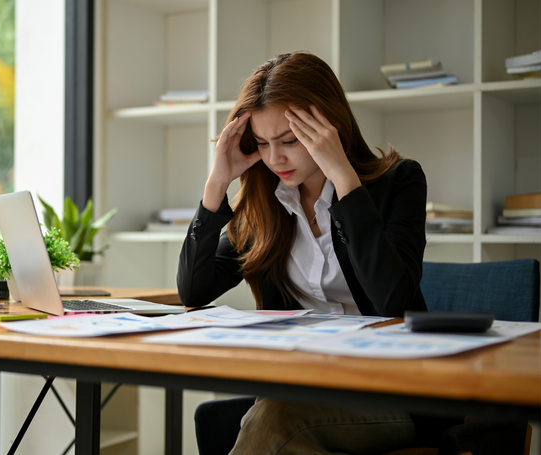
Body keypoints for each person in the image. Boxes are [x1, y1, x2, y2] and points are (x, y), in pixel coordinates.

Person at [177, 52, 428, 454]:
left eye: (290, 140)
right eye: (262, 143)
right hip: (302, 383)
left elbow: (393, 299)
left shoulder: (399, 181)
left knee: (274, 420)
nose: (275, 158)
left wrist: (344, 178)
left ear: (329, 127)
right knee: (272, 416)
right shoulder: (268, 201)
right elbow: (194, 289)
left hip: (393, 390)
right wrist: (216, 185)